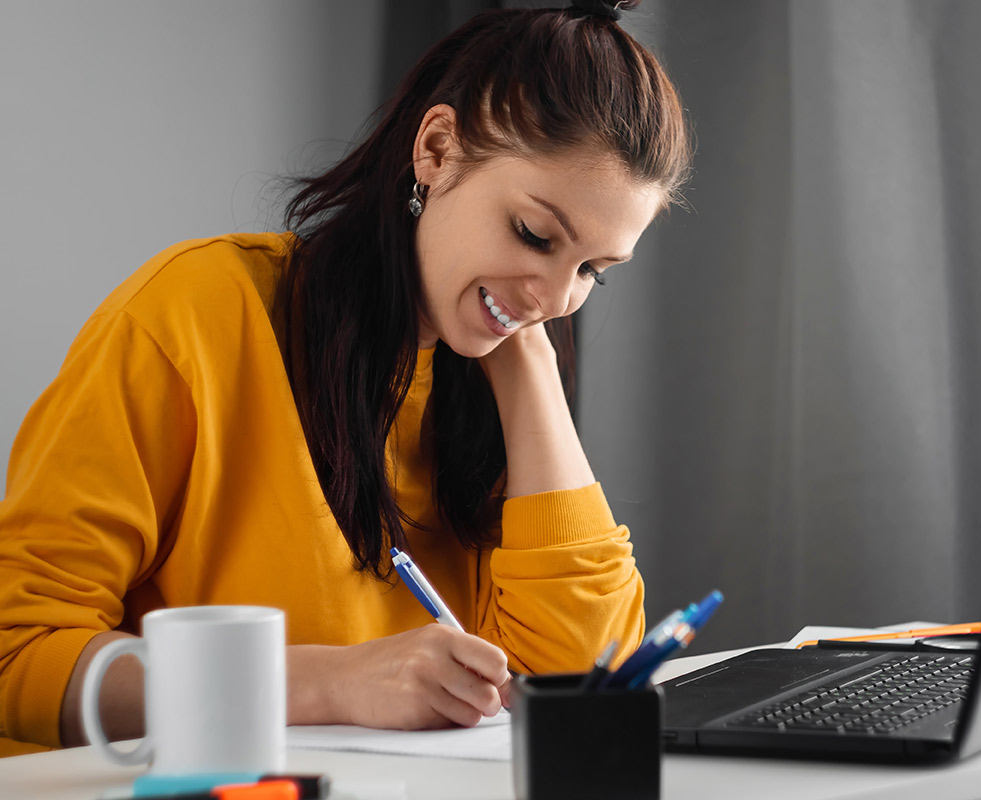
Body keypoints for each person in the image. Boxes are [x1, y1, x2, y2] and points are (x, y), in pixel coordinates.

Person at [0, 0, 691, 755]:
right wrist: (330, 683)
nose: (559, 299)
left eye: (593, 270)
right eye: (534, 234)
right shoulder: (195, 314)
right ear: (436, 150)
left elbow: (582, 685)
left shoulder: (495, 374)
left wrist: (527, 359)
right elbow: (18, 656)